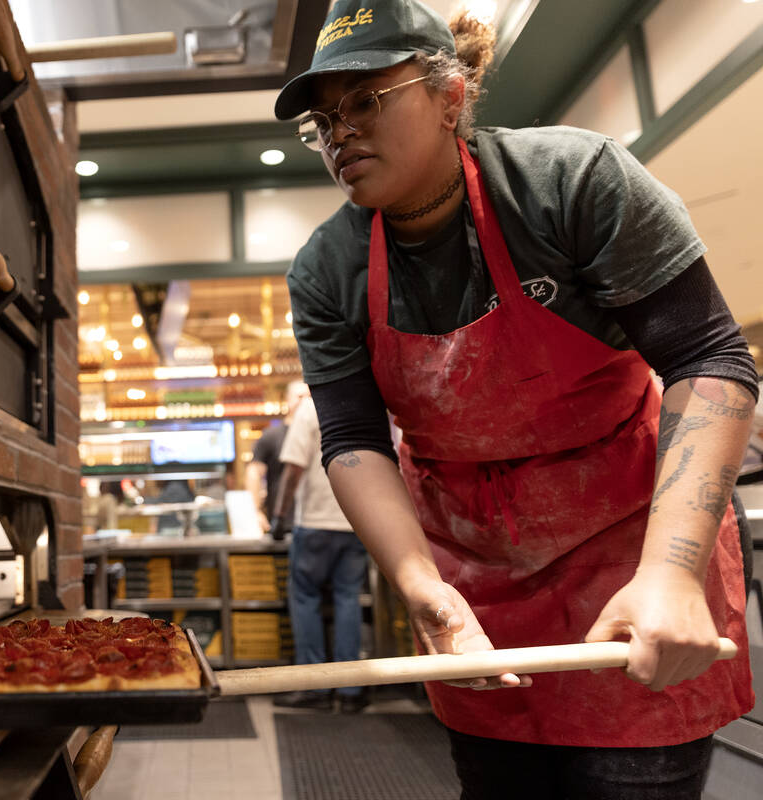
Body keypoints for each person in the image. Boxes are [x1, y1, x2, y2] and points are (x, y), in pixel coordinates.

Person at [276, 1, 758, 796]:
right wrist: (423, 587)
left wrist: (673, 569)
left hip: (632, 545)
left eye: (365, 100)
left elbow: (708, 357)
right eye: (324, 122)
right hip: (478, 582)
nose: (340, 134)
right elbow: (355, 440)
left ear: (449, 95)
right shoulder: (328, 270)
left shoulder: (567, 184)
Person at [271, 390, 371, 712]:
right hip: (356, 521)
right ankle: (349, 690)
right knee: (347, 599)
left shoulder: (310, 409)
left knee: (305, 599)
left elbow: (293, 469)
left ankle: (314, 687)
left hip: (314, 523)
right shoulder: (362, 403)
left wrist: (279, 516)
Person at [246, 381, 309, 536]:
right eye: (300, 396)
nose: (305, 402)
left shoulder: (320, 434)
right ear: (287, 400)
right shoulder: (271, 436)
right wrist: (256, 512)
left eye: (309, 397)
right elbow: (253, 472)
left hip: (314, 522)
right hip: (282, 524)